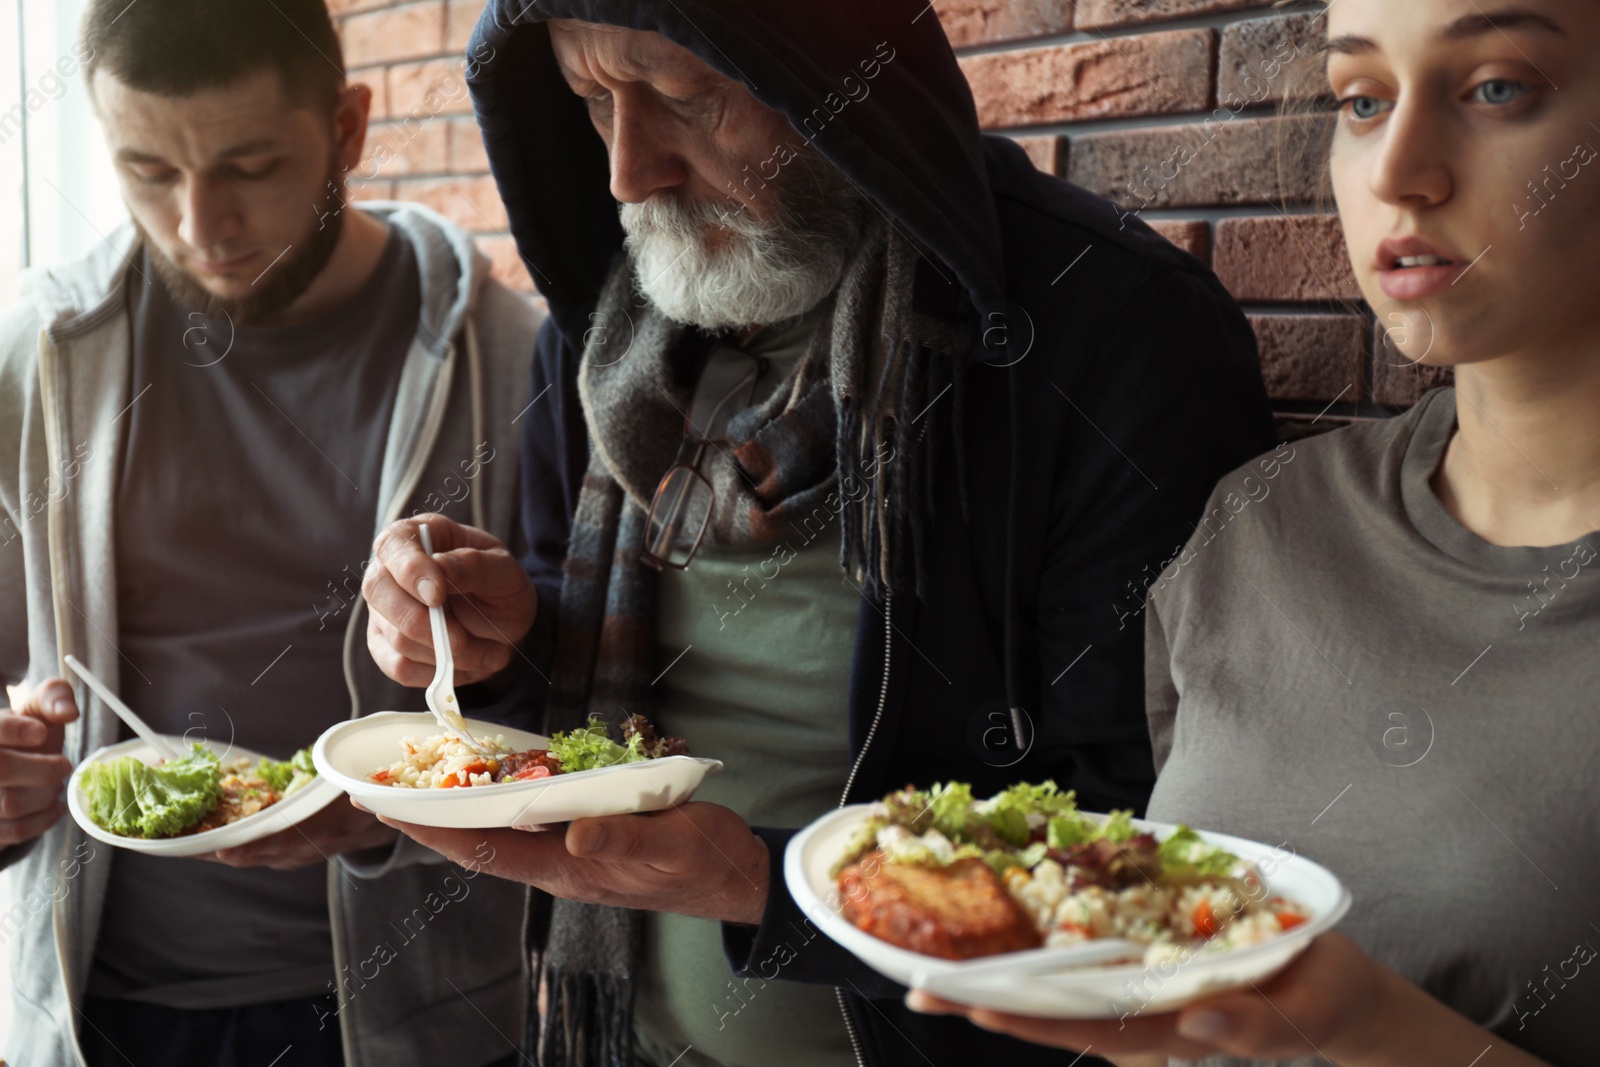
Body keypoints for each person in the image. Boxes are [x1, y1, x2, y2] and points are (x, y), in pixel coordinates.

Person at [360, 1, 1276, 1065]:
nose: (627, 170)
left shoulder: (1105, 333)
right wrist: (499, 642)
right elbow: (576, 720)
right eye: (590, 101)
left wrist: (765, 883)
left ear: (840, 80)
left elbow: (1151, 834)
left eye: (684, 97)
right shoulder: (609, 342)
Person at [905, 0, 1599, 1064]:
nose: (1396, 170)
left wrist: (1362, 1025)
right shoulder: (1256, 526)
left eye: (1495, 87)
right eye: (1361, 101)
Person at [0, 1, 541, 1064]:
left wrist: (389, 814)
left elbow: (581, 722)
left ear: (346, 129)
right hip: (97, 1011)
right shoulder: (37, 361)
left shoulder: (513, 360)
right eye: (148, 171)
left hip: (414, 1021)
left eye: (249, 167)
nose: (202, 224)